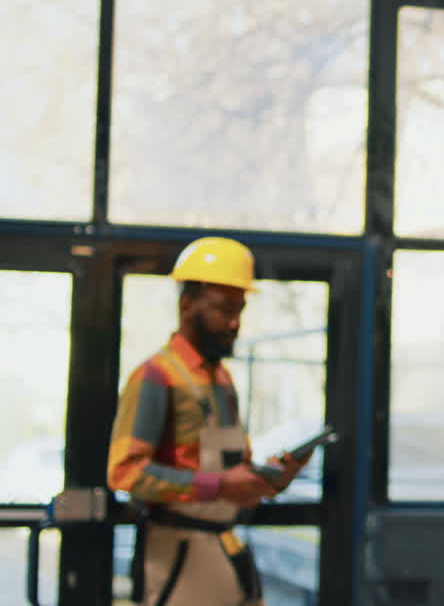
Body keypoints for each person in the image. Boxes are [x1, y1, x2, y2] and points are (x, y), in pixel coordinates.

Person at [108, 237, 309, 606]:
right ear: (187, 306)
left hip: (226, 549)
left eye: (240, 310)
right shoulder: (156, 376)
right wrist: (217, 486)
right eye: (223, 309)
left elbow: (235, 476)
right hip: (177, 557)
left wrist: (270, 480)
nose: (235, 323)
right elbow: (125, 473)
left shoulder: (222, 381)